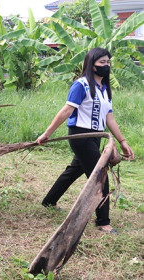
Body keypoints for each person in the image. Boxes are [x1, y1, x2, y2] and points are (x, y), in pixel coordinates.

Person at [36, 47, 134, 234]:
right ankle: (103, 222)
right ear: (92, 64)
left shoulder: (104, 89)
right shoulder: (81, 85)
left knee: (74, 170)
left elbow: (109, 117)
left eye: (108, 62)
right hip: (80, 136)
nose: (106, 66)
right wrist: (46, 134)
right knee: (100, 176)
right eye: (102, 62)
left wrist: (122, 141)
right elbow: (66, 110)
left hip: (97, 136)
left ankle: (49, 200)